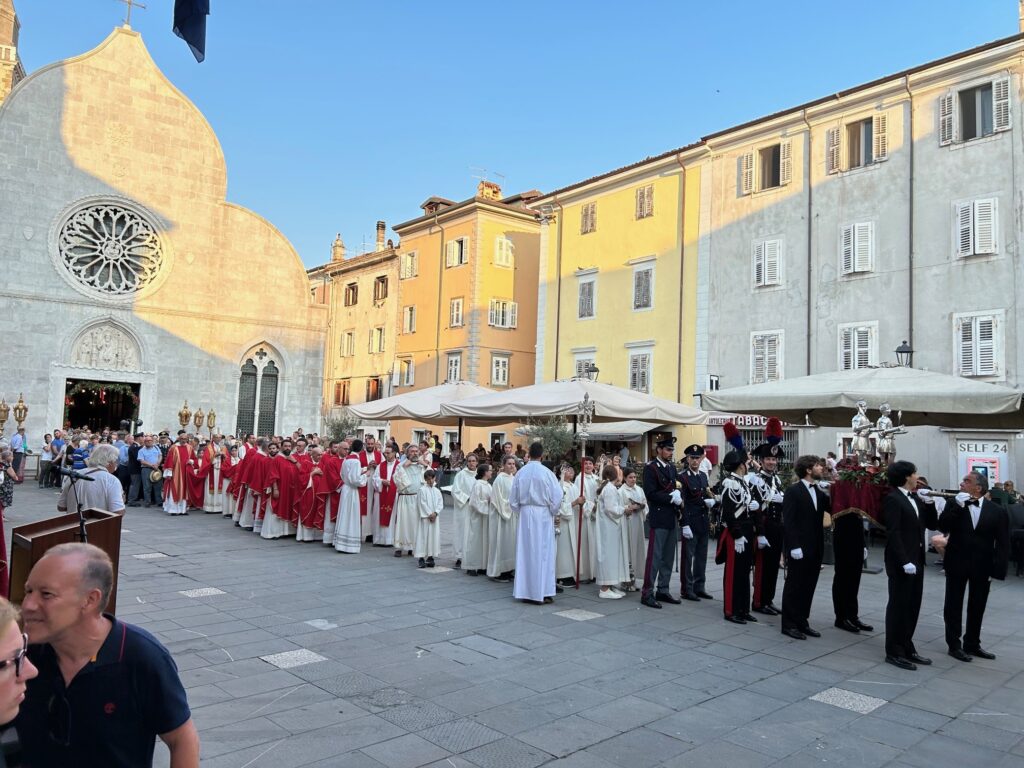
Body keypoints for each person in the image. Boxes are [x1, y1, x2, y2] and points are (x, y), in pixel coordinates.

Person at [15, 544, 199, 767]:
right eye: (28, 591)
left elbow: (181, 738)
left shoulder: (141, 657)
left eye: (46, 594)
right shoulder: (22, 652)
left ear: (90, 600)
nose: (28, 605)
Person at [936, 471, 1010, 662]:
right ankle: (954, 644)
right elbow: (943, 526)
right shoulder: (954, 504)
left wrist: (998, 570)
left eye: (967, 481)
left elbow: (1003, 542)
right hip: (957, 562)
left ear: (978, 488)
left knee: (978, 605)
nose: (962, 483)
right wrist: (957, 507)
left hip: (982, 565)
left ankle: (972, 643)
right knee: (953, 604)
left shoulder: (997, 511)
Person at [882, 460, 938, 671]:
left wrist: (930, 503)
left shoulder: (915, 498)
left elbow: (931, 525)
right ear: (906, 477)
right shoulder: (893, 499)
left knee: (913, 605)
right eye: (915, 474)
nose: (918, 477)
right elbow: (893, 533)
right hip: (902, 562)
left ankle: (907, 645)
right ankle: (893, 650)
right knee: (899, 605)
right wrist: (904, 560)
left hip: (917, 559)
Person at [779, 455, 827, 639]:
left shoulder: (820, 493)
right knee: (794, 585)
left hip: (815, 548)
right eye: (817, 465)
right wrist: (793, 546)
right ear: (808, 470)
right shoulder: (793, 491)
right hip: (799, 548)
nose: (821, 468)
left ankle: (802, 621)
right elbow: (789, 521)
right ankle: (789, 624)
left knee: (809, 585)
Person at [511, 442, 563, 604]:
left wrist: (522, 509)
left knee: (526, 552)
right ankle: (543, 591)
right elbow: (557, 496)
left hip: (526, 514)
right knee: (543, 553)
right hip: (542, 514)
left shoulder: (521, 473)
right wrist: (554, 511)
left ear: (529, 454)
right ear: (542, 455)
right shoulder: (547, 473)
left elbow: (513, 499)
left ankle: (526, 591)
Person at [716, 448, 759, 624]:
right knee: (734, 572)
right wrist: (738, 534)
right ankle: (731, 610)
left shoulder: (742, 482)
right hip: (737, 534)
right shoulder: (730, 483)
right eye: (747, 462)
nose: (748, 465)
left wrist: (752, 506)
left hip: (747, 531)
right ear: (741, 465)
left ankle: (743, 608)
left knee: (744, 571)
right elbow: (728, 513)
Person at [640, 437, 682, 609]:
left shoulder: (672, 468)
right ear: (659, 450)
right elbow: (650, 493)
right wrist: (670, 498)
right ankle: (647, 592)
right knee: (655, 557)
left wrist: (678, 496)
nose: (670, 453)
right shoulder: (651, 468)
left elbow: (676, 486)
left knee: (668, 557)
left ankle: (663, 589)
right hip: (659, 516)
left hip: (671, 517)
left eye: (672, 450)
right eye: (667, 450)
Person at [750, 440, 785, 615]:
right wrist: (760, 533)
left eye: (774, 459)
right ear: (762, 461)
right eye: (768, 459)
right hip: (764, 528)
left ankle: (768, 599)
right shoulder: (756, 479)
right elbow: (755, 509)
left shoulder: (776, 479)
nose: (772, 462)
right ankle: (758, 602)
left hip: (776, 527)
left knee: (772, 567)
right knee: (762, 567)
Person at [679, 444, 714, 602]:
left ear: (702, 459)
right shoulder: (682, 477)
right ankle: (687, 588)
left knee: (702, 556)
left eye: (697, 458)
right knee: (688, 556)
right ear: (687, 458)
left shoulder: (703, 476)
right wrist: (684, 524)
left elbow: (705, 493)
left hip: (703, 520)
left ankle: (700, 587)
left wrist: (711, 501)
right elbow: (683, 503)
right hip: (691, 520)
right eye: (692, 458)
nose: (695, 461)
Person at [56, 444, 125, 517]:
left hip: (73, 525)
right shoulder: (111, 480)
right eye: (116, 461)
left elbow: (61, 507)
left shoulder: (74, 475)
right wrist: (122, 501)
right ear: (110, 462)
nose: (116, 464)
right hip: (98, 526)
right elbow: (118, 512)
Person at [595, 464, 628, 599]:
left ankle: (611, 584)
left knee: (613, 555)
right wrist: (624, 509)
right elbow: (611, 509)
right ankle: (605, 588)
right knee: (608, 555)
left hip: (611, 527)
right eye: (619, 471)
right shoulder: (609, 489)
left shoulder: (610, 488)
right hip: (608, 528)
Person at [335, 439, 370, 553]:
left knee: (344, 514)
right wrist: (366, 476)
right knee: (351, 516)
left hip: (346, 489)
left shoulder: (346, 459)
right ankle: (349, 545)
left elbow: (344, 474)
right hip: (352, 491)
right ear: (361, 449)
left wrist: (363, 470)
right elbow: (355, 479)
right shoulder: (356, 461)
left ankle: (340, 542)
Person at [487, 456, 518, 582]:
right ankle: (498, 572)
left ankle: (509, 569)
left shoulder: (514, 478)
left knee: (510, 543)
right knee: (501, 542)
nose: (511, 466)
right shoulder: (499, 479)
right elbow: (497, 499)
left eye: (513, 464)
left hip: (512, 516)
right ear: (503, 465)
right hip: (501, 516)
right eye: (509, 463)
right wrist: (510, 505)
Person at [392, 445, 425, 556]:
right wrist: (404, 467)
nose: (415, 453)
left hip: (417, 498)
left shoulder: (421, 466)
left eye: (416, 451)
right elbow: (396, 479)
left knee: (415, 524)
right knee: (403, 523)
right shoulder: (401, 465)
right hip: (405, 498)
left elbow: (430, 478)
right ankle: (399, 547)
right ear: (407, 453)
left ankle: (412, 546)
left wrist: (425, 466)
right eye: (412, 451)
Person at [619, 467, 647, 592]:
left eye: (635, 477)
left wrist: (642, 506)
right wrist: (628, 507)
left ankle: (635, 578)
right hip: (627, 522)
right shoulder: (621, 491)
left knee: (637, 550)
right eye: (630, 477)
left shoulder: (639, 489)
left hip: (638, 522)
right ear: (625, 478)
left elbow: (645, 503)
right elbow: (618, 507)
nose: (633, 479)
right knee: (628, 550)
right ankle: (626, 580)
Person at [450, 453, 479, 569]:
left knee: (474, 532)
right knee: (461, 531)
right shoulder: (461, 475)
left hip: (476, 508)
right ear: (467, 462)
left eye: (474, 461)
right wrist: (467, 498)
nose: (472, 463)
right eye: (470, 461)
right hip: (464, 507)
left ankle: (472, 555)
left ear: (477, 462)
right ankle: (459, 556)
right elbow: (455, 490)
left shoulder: (480, 474)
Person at [464, 464, 492, 575]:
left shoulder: (488, 485)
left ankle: (482, 565)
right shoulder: (478, 485)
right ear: (484, 472)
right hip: (477, 517)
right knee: (475, 541)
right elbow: (474, 502)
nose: (491, 472)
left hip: (485, 517)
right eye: (490, 470)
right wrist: (487, 502)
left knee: (484, 541)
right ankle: (471, 566)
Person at [555, 465, 581, 587]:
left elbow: (580, 502)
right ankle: (562, 575)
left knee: (572, 548)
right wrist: (575, 502)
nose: (570, 471)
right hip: (564, 522)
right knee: (564, 549)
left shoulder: (574, 486)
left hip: (573, 521)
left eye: (571, 469)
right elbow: (559, 505)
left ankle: (571, 573)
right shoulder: (560, 486)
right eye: (567, 470)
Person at [414, 469, 443, 568]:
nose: (431, 481)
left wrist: (436, 513)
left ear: (435, 478)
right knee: (423, 537)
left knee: (433, 537)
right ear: (425, 479)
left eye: (432, 479)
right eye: (428, 479)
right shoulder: (422, 490)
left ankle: (430, 557)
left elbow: (440, 503)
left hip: (435, 518)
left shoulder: (437, 491)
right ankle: (421, 557)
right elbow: (422, 503)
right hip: (425, 518)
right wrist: (429, 514)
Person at [372, 445, 400, 546]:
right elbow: (374, 479)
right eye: (385, 453)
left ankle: (390, 540)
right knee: (379, 515)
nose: (386, 455)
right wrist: (382, 481)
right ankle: (379, 539)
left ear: (394, 453)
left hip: (394, 496)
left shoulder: (399, 466)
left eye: (388, 453)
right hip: (381, 495)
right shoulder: (380, 466)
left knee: (392, 518)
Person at [357, 437, 383, 543]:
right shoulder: (360, 455)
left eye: (372, 444)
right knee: (365, 508)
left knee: (374, 507)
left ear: (375, 444)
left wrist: (376, 466)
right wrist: (367, 467)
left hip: (375, 483)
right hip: (364, 483)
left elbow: (384, 467)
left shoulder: (379, 455)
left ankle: (372, 533)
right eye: (368, 444)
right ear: (365, 444)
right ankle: (363, 532)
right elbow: (356, 469)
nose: (370, 446)